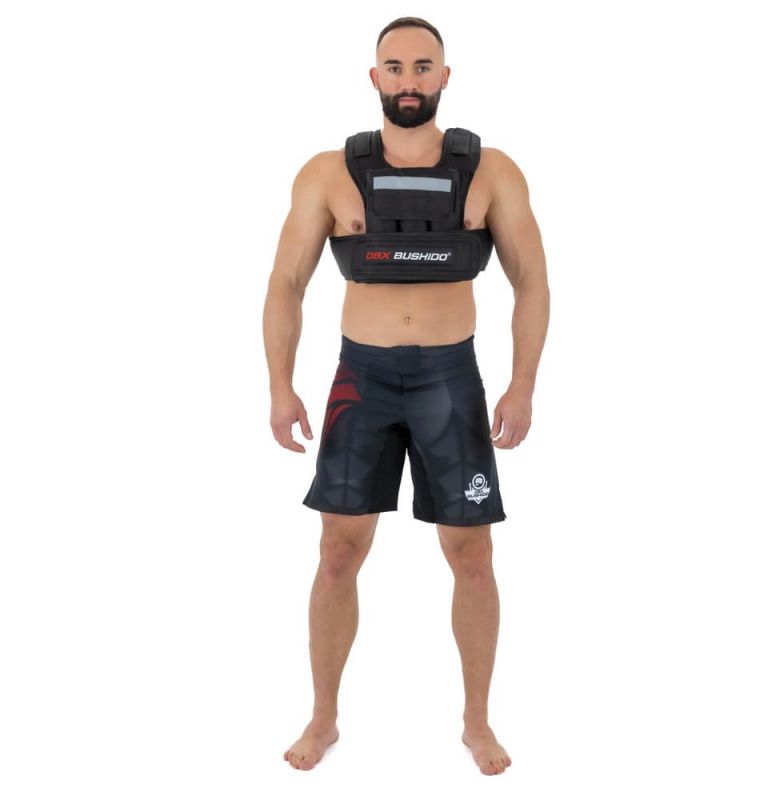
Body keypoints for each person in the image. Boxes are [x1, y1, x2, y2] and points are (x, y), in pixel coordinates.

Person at [263, 16, 549, 776]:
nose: (409, 80)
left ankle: (477, 723)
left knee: (472, 555)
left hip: (450, 381)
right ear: (375, 78)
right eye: (395, 67)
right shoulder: (329, 173)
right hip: (361, 381)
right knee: (336, 553)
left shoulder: (492, 172)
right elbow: (286, 284)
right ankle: (323, 717)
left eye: (424, 66)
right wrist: (280, 385)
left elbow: (532, 282)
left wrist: (522, 384)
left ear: (446, 77)